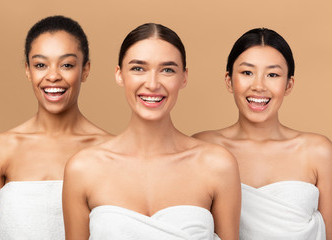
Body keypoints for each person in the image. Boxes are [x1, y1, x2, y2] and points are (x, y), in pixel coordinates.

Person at [63, 23, 241, 240]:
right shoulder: (83, 169)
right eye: (138, 68)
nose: (152, 83)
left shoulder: (217, 165)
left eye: (167, 70)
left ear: (183, 77)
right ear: (120, 75)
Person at [0, 15, 111, 240]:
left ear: (85, 70)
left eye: (67, 65)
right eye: (40, 65)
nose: (52, 76)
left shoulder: (110, 150)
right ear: (28, 70)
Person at [193, 28, 332, 239]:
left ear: (289, 84)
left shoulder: (318, 152)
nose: (259, 86)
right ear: (229, 80)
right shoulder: (203, 147)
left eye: (273, 75)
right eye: (247, 72)